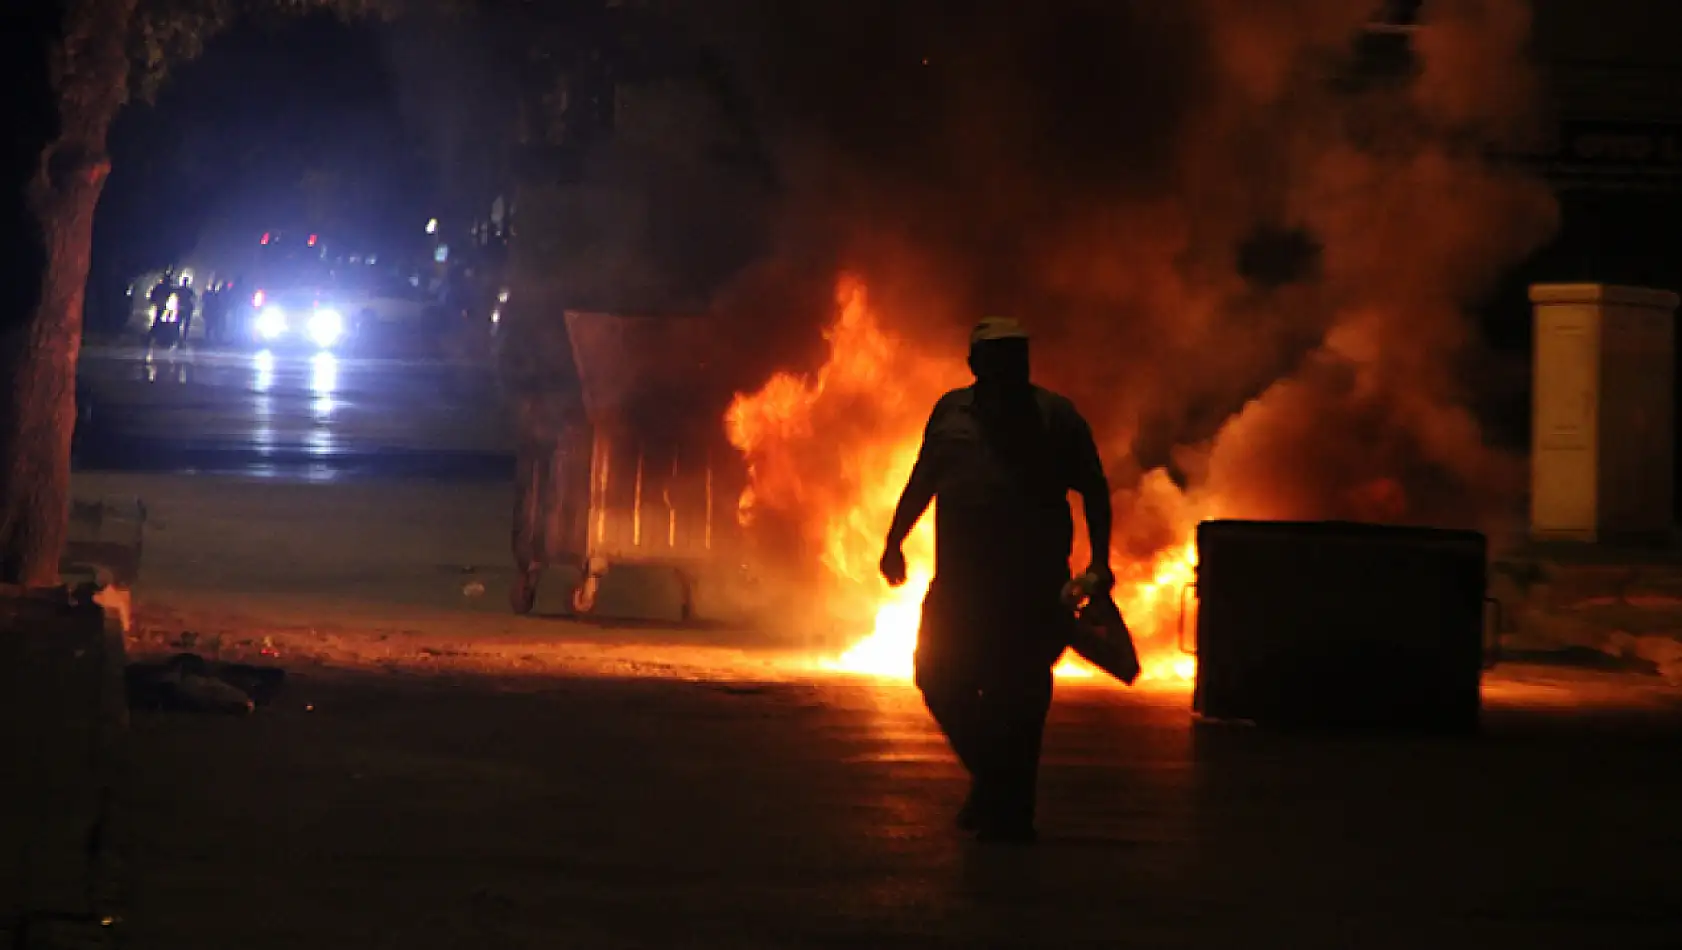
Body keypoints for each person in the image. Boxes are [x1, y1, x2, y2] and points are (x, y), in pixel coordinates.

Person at [879, 316, 1113, 844]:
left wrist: (1100, 563)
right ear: (976, 364)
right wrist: (894, 540)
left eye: (1018, 356)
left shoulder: (1055, 418)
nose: (1011, 367)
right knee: (937, 676)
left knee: (1021, 698)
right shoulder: (950, 413)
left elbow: (1094, 490)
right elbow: (924, 477)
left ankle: (1010, 809)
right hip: (959, 585)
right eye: (999, 358)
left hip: (1031, 589)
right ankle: (996, 785)